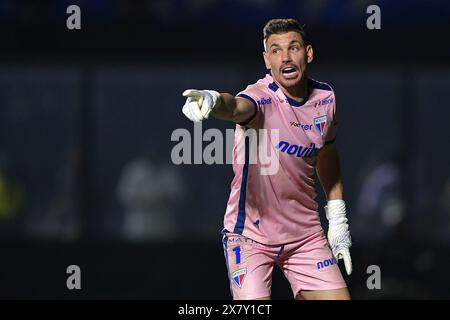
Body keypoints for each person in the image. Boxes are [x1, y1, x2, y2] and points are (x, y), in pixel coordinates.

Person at [181, 18, 352, 300]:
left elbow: (327, 154)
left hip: (305, 237)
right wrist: (213, 101)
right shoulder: (261, 99)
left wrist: (337, 220)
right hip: (250, 237)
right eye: (276, 50)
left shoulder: (326, 98)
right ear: (266, 60)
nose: (285, 57)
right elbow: (235, 106)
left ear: (308, 53)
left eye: (293, 48)